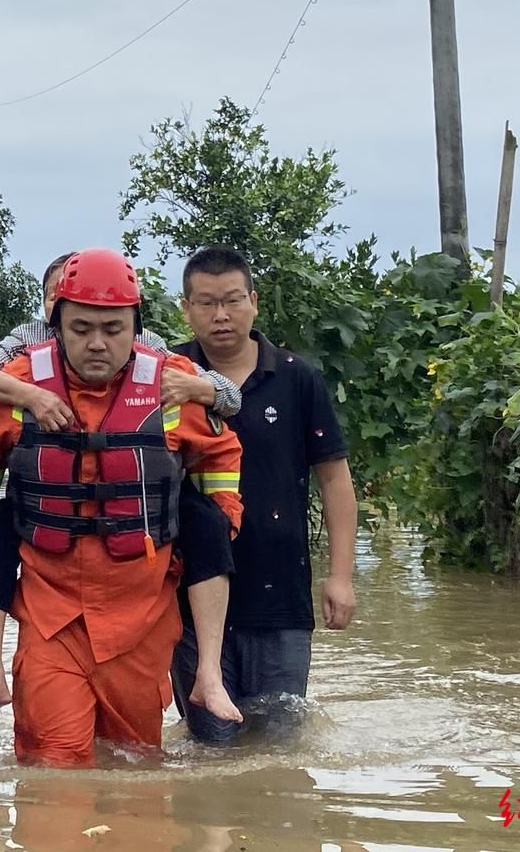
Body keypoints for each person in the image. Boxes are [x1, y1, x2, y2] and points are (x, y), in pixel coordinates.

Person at [0, 248, 244, 766]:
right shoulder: (20, 381)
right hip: (51, 616)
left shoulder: (171, 381)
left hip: (142, 617)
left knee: (136, 769)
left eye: (113, 328)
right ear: (56, 325)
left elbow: (220, 454)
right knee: (53, 768)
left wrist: (219, 521)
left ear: (136, 327)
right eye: (81, 327)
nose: (97, 343)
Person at [168, 246, 357, 742]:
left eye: (232, 300)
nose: (221, 315)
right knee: (208, 744)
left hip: (281, 599)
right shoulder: (167, 376)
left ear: (254, 301)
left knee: (280, 750)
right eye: (206, 303)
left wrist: (341, 577)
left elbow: (335, 480)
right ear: (185, 309)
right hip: (190, 597)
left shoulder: (298, 378)